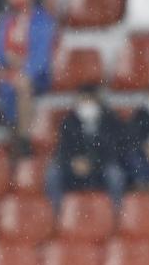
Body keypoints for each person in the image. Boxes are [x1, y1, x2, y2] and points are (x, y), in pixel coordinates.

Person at [0, 0, 56, 127]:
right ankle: (8, 131)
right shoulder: (6, 20)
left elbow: (42, 56)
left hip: (35, 75)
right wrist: (4, 60)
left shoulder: (43, 20)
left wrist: (26, 70)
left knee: (23, 85)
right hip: (8, 71)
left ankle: (23, 139)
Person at [47, 85, 124, 213]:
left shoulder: (110, 120)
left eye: (90, 100)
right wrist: (73, 162)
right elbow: (63, 149)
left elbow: (114, 149)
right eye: (83, 100)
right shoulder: (69, 121)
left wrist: (92, 162)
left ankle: (114, 215)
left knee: (115, 175)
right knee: (53, 173)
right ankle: (58, 214)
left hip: (101, 168)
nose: (86, 104)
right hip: (74, 169)